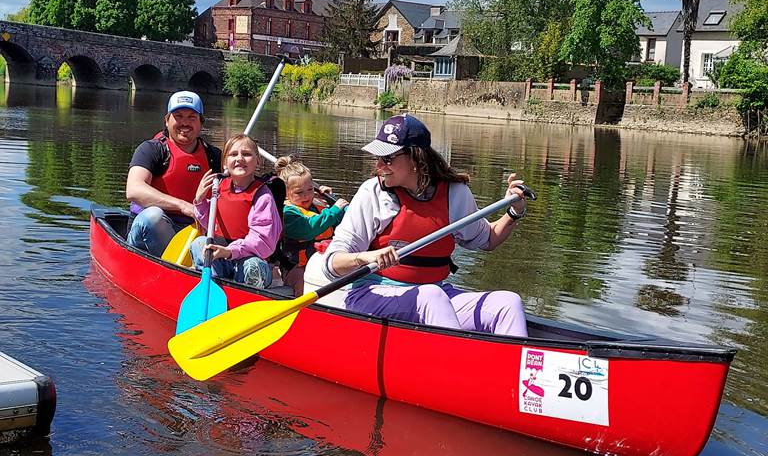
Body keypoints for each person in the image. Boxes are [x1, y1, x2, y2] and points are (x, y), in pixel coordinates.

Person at [318, 114, 529, 337]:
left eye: (388, 158)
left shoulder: (455, 194)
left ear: (416, 158)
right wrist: (365, 257)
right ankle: (459, 365)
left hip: (435, 295)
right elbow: (331, 264)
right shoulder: (373, 193)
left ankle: (517, 370)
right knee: (431, 297)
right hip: (372, 296)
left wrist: (514, 211)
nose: (379, 165)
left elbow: (488, 239)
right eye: (378, 157)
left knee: (508, 303)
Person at [125, 91, 221, 256]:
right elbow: (133, 190)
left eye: (192, 117)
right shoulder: (151, 149)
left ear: (201, 123)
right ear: (167, 120)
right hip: (153, 229)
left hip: (192, 231)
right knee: (153, 216)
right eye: (178, 116)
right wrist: (183, 206)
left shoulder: (214, 156)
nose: (185, 123)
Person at [190, 134, 282, 289]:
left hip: (248, 259)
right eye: (233, 154)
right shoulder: (219, 187)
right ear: (225, 162)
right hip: (221, 258)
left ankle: (247, 295)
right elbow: (211, 224)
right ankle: (210, 285)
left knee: (253, 266)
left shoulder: (263, 196)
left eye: (246, 154)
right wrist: (199, 201)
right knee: (199, 244)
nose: (240, 158)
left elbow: (262, 241)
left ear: (257, 161)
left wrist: (229, 251)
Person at [274, 155, 348, 295]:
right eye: (299, 192)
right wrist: (333, 211)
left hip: (323, 263)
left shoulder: (319, 207)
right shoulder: (288, 213)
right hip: (296, 267)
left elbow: (343, 225)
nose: (306, 196)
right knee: (303, 282)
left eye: (310, 190)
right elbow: (309, 229)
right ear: (286, 194)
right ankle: (303, 310)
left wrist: (331, 201)